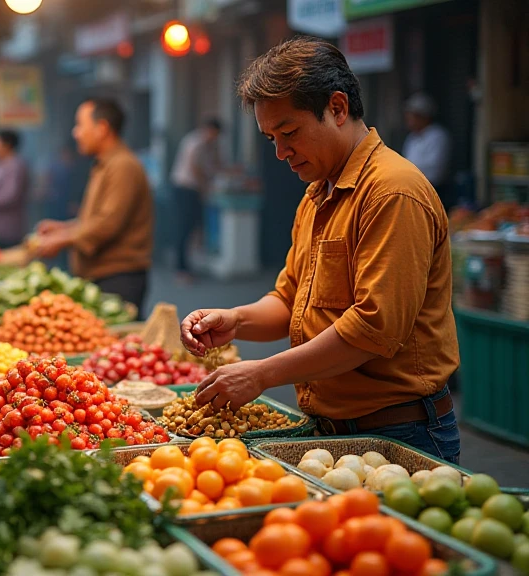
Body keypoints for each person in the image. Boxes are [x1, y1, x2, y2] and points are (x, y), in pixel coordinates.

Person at [180, 37, 460, 463]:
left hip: (401, 431)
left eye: (289, 132)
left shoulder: (392, 192)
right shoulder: (317, 195)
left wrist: (261, 373)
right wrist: (235, 320)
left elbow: (373, 330)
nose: (281, 152)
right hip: (331, 430)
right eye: (271, 138)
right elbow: (288, 299)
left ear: (338, 108)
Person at [33, 97, 154, 314]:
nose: (75, 133)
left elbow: (108, 223)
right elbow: (95, 219)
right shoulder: (104, 164)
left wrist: (62, 239)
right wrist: (64, 228)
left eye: (80, 125)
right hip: (101, 275)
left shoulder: (123, 166)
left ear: (102, 128)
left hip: (118, 278)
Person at [170, 118, 222, 278]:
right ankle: (181, 268)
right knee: (185, 228)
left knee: (194, 227)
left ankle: (189, 264)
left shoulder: (209, 145)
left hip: (193, 189)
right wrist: (204, 187)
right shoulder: (196, 142)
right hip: (185, 189)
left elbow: (215, 164)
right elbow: (195, 167)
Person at [403, 93, 453, 210]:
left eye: (412, 116)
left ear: (423, 117)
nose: (409, 120)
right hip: (412, 190)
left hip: (433, 191)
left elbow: (435, 169)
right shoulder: (412, 138)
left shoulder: (438, 136)